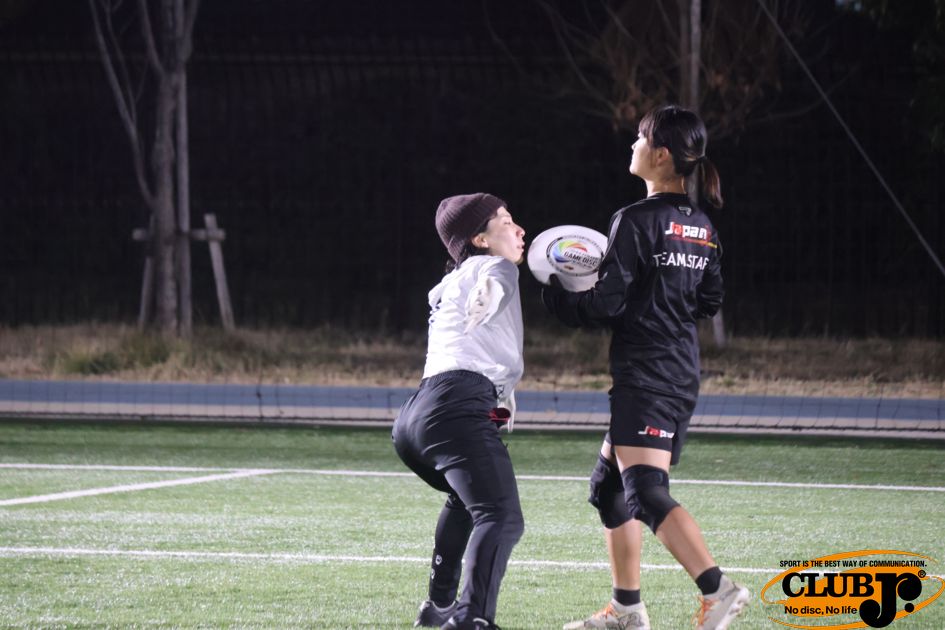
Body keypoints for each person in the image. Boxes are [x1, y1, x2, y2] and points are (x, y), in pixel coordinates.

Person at [542, 105, 750, 630]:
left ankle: (718, 589)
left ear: (660, 155)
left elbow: (606, 303)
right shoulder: (702, 226)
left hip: (647, 375)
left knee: (645, 492)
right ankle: (626, 611)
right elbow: (709, 302)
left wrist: (558, 295)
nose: (631, 145)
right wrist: (659, 300)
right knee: (608, 490)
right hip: (678, 368)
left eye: (639, 137)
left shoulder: (634, 220)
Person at [392, 193, 527, 630]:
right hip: (455, 406)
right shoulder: (494, 267)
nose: (519, 229)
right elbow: (497, 279)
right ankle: (471, 619)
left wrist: (498, 403)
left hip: (415, 419)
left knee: (468, 501)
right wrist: (490, 292)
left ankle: (439, 606)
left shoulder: (449, 282)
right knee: (501, 516)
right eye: (505, 221)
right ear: (479, 239)